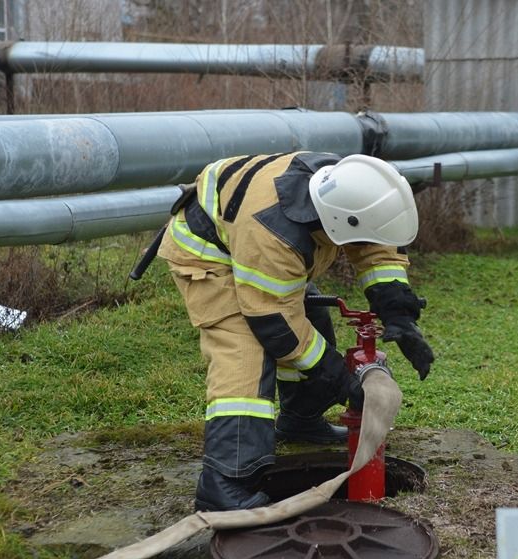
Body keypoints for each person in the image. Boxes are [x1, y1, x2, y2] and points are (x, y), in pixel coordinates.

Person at [157, 152, 434, 512]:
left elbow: (374, 246)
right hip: (210, 252)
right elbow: (276, 323)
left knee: (311, 318)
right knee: (245, 353)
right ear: (338, 222)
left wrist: (398, 312)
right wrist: (341, 378)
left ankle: (300, 421)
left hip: (256, 244)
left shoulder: (347, 188)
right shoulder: (274, 227)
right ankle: (224, 485)